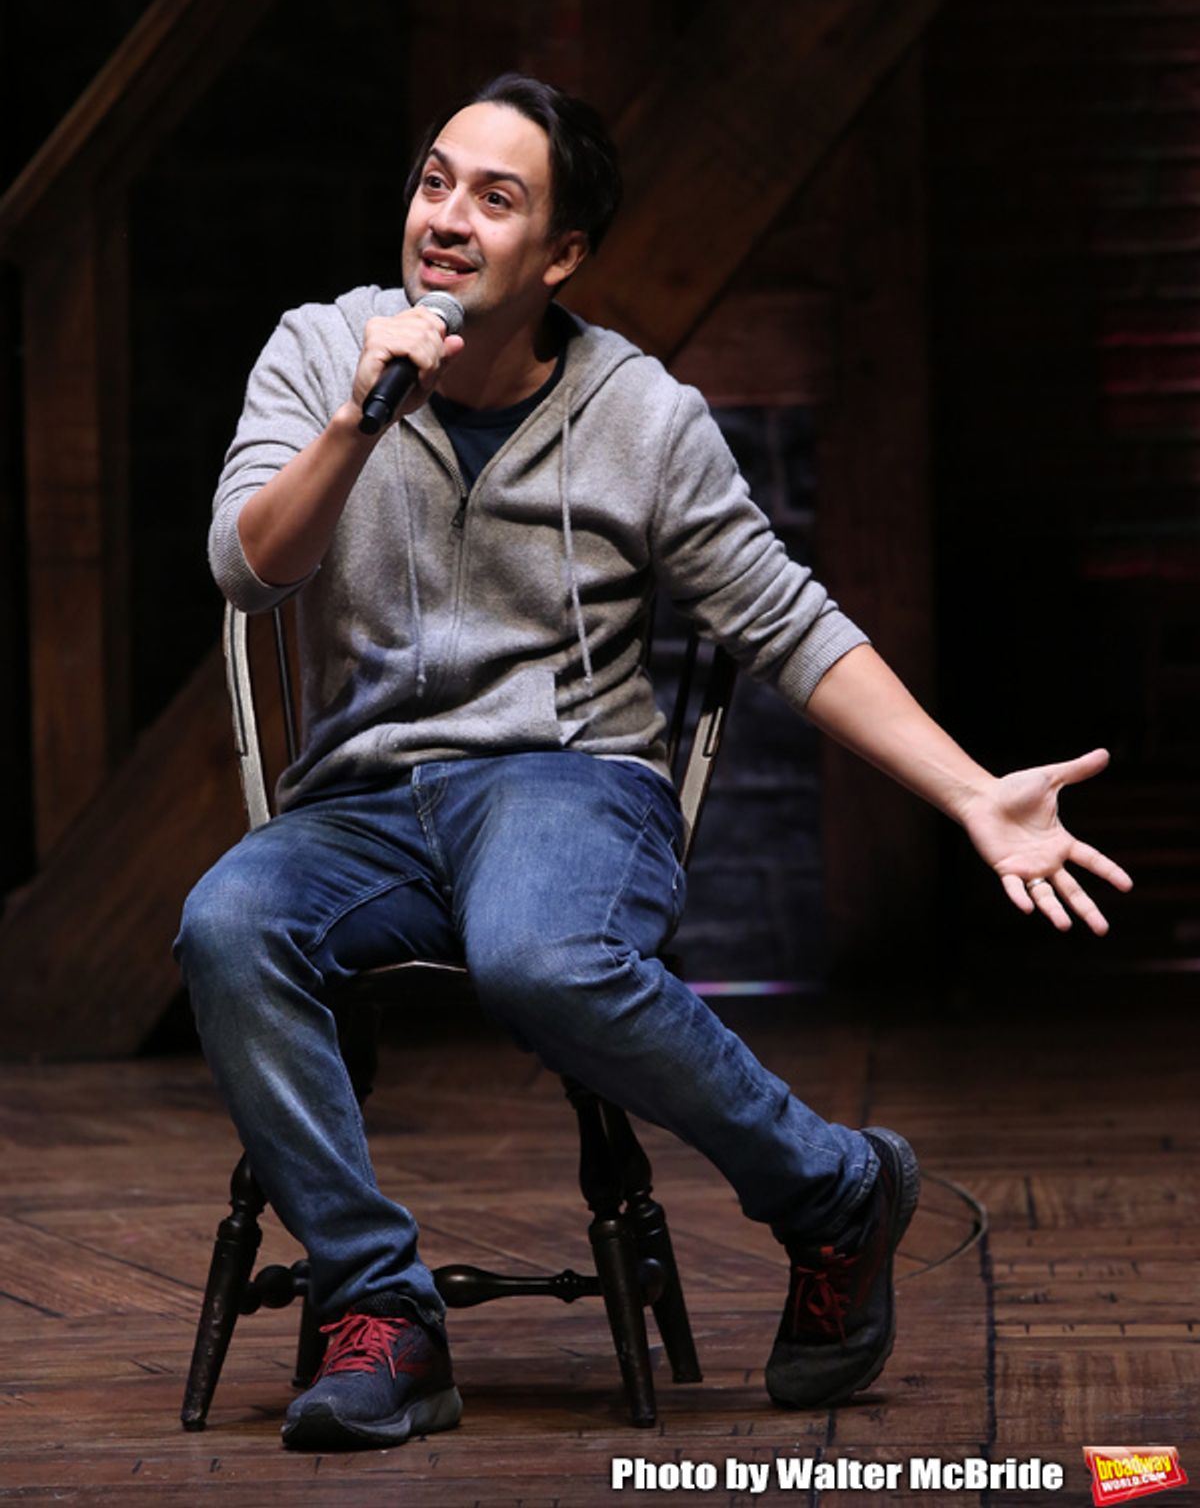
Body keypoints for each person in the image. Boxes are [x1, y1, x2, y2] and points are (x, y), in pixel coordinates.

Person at [175, 73, 1132, 1452]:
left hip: (568, 781)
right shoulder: (323, 352)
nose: (446, 218)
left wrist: (973, 791)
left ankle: (830, 1191)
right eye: (435, 181)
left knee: (540, 954)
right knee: (226, 923)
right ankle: (377, 1310)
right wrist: (360, 419)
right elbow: (245, 569)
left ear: (561, 256)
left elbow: (788, 625)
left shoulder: (642, 417)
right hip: (367, 799)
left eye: (494, 199)